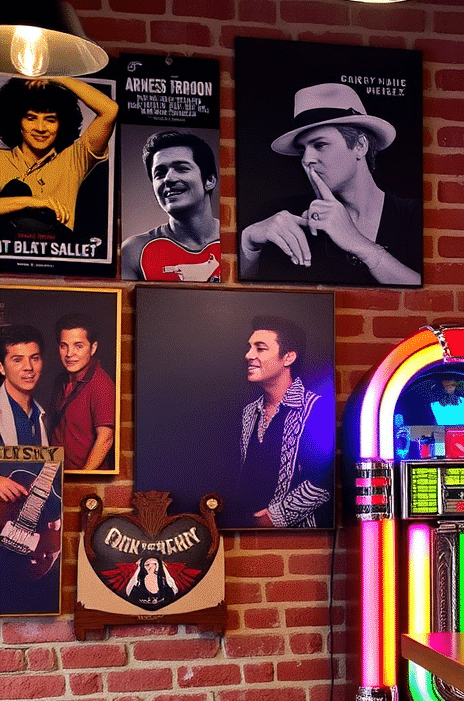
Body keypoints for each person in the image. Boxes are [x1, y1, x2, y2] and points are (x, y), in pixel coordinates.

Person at [239, 83, 421, 286]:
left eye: (320, 145)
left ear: (360, 146)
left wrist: (358, 242)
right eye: (302, 150)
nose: (307, 159)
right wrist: (249, 243)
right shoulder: (287, 217)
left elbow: (430, 296)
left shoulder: (413, 216)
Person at [236, 316, 333, 529]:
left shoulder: (315, 409)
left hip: (297, 541)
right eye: (250, 347)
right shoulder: (249, 412)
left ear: (288, 357)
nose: (248, 355)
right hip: (247, 537)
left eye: (260, 349)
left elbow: (325, 482)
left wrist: (273, 518)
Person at [0, 76, 118, 232]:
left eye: (50, 120)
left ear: (62, 123)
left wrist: (55, 79)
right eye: (31, 118)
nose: (40, 128)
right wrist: (33, 202)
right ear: (17, 122)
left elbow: (110, 110)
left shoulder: (73, 160)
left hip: (58, 252)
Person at [121, 130, 221, 282]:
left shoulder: (239, 243)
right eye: (159, 173)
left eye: (181, 168)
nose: (168, 178)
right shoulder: (134, 252)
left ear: (209, 180)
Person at [48, 313, 116, 472]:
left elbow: (106, 439)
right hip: (58, 476)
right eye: (64, 346)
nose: (69, 353)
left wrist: (81, 478)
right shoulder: (60, 380)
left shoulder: (100, 384)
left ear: (93, 348)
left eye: (79, 346)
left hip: (83, 479)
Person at [0, 323, 47, 506]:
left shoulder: (43, 415)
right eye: (17, 360)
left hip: (29, 520)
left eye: (34, 358)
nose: (28, 367)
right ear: (2, 367)